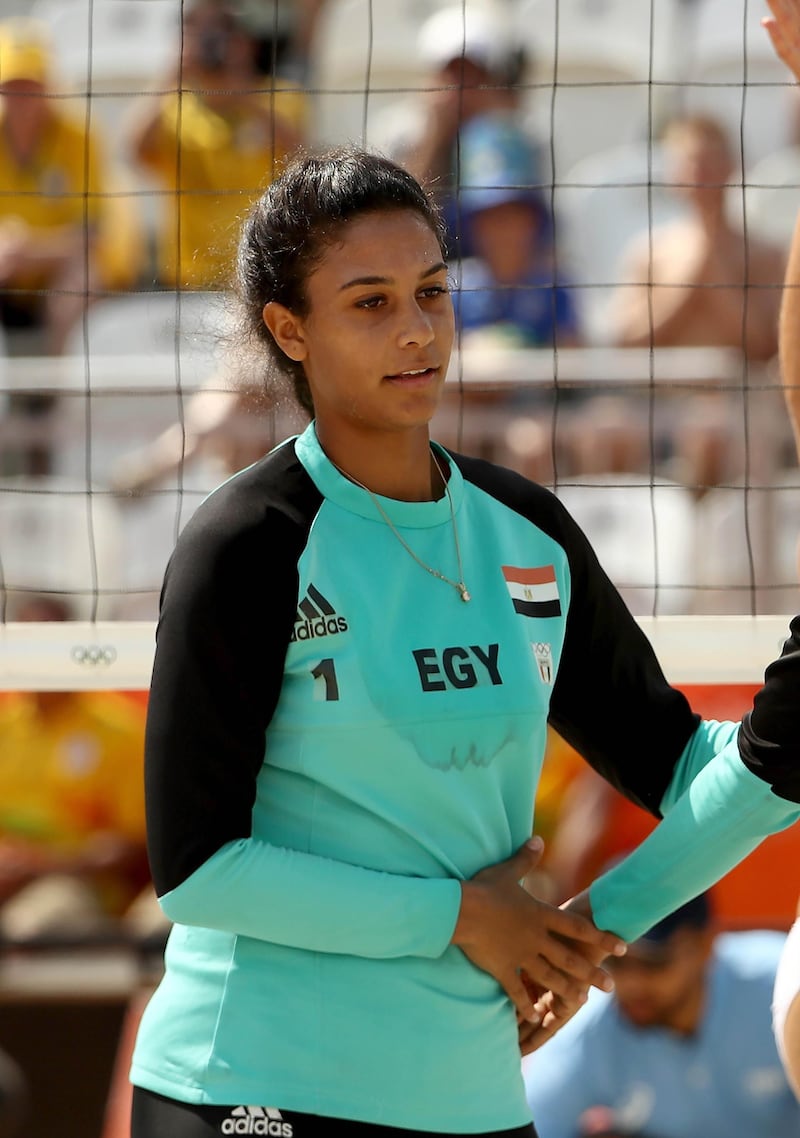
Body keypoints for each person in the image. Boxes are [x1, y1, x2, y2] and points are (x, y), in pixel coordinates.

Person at [127, 147, 800, 1138]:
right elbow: (198, 866)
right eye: (369, 302)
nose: (414, 328)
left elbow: (693, 771)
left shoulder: (524, 531)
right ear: (288, 329)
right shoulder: (249, 542)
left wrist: (590, 930)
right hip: (247, 1078)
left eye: (431, 292)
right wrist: (463, 917)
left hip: (467, 1095)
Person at [601, 111, 788, 491]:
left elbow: (767, 344)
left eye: (712, 161)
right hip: (657, 408)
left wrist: (712, 267)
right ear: (674, 174)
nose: (702, 173)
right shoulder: (649, 254)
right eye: (692, 162)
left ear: (732, 168)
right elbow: (626, 341)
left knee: (710, 435)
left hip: (741, 409)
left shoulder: (765, 255)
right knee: (600, 432)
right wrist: (688, 286)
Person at [523, 890, 800, 1138]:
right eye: (615, 962)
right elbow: (538, 1123)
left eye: (654, 962)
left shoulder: (783, 990)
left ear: (704, 945)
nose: (632, 984)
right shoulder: (586, 1028)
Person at [126, 0, 307, 291]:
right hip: (188, 278)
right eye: (204, 34)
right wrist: (174, 74)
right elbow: (134, 149)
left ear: (247, 43)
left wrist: (241, 94)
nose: (216, 44)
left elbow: (300, 154)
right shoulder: (173, 108)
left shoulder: (281, 97)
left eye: (226, 32)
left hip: (260, 274)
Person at [0, 595, 149, 941]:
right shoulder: (6, 726)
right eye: (27, 641)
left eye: (46, 639)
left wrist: (40, 866)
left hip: (80, 886)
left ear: (72, 642)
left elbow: (131, 846)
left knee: (24, 927)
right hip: (11, 878)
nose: (36, 655)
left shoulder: (119, 730)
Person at [0, 17, 143, 355]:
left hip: (66, 263)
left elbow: (93, 236)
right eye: (11, 85)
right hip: (11, 266)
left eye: (30, 85)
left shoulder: (80, 136)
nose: (21, 97)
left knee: (75, 287)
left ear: (49, 85)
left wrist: (30, 251)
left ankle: (57, 397)